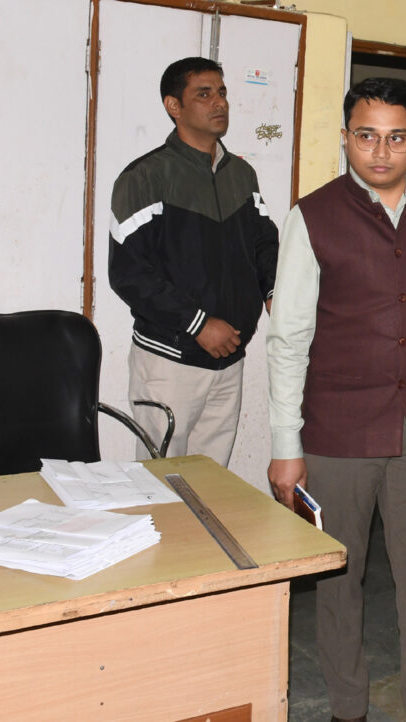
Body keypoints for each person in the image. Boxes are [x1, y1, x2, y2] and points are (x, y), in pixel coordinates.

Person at [266, 77, 406, 722]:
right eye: (366, 136)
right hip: (339, 431)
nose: (381, 152)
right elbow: (289, 338)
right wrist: (286, 445)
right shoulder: (312, 216)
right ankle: (347, 707)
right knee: (338, 575)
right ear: (346, 138)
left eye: (396, 138)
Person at [108, 57, 278, 466]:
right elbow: (128, 273)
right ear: (174, 106)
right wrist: (198, 324)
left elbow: (264, 243)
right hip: (170, 358)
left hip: (230, 355)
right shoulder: (144, 176)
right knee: (161, 478)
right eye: (204, 94)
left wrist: (274, 292)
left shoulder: (241, 175)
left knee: (212, 478)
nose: (219, 102)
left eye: (222, 92)